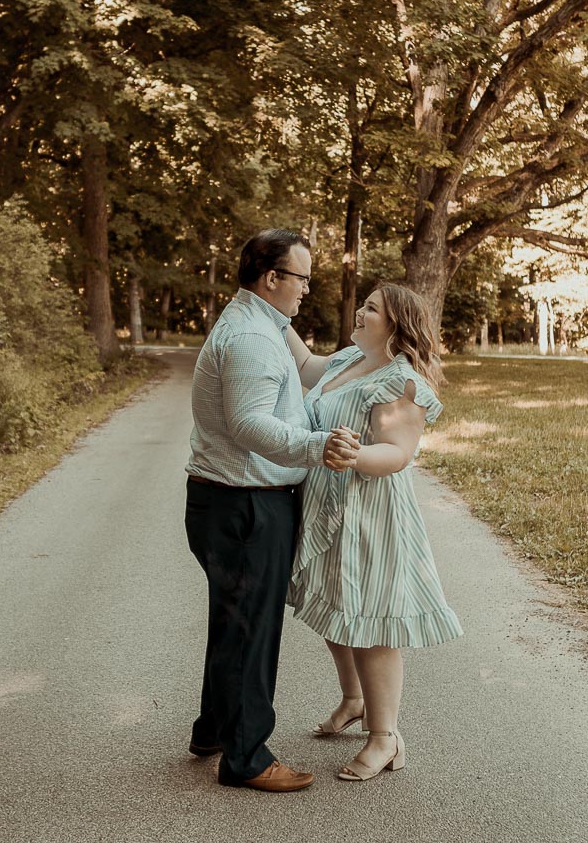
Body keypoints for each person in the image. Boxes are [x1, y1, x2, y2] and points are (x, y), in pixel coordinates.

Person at [185, 229, 360, 793]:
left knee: (232, 622)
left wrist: (379, 355)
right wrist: (318, 446)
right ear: (271, 278)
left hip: (230, 500)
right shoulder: (252, 338)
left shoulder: (266, 324)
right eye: (302, 278)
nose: (307, 289)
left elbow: (310, 372)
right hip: (244, 505)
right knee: (251, 631)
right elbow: (249, 424)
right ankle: (247, 758)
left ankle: (214, 730)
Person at [284, 283, 462, 782]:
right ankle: (354, 699)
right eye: (363, 304)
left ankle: (385, 738)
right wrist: (276, 315)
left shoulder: (400, 383)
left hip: (370, 514)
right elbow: (305, 366)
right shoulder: (348, 361)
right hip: (327, 506)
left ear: (396, 325)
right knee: (334, 610)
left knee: (370, 622)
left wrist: (357, 454)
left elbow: (398, 452)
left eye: (371, 308)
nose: (360, 312)